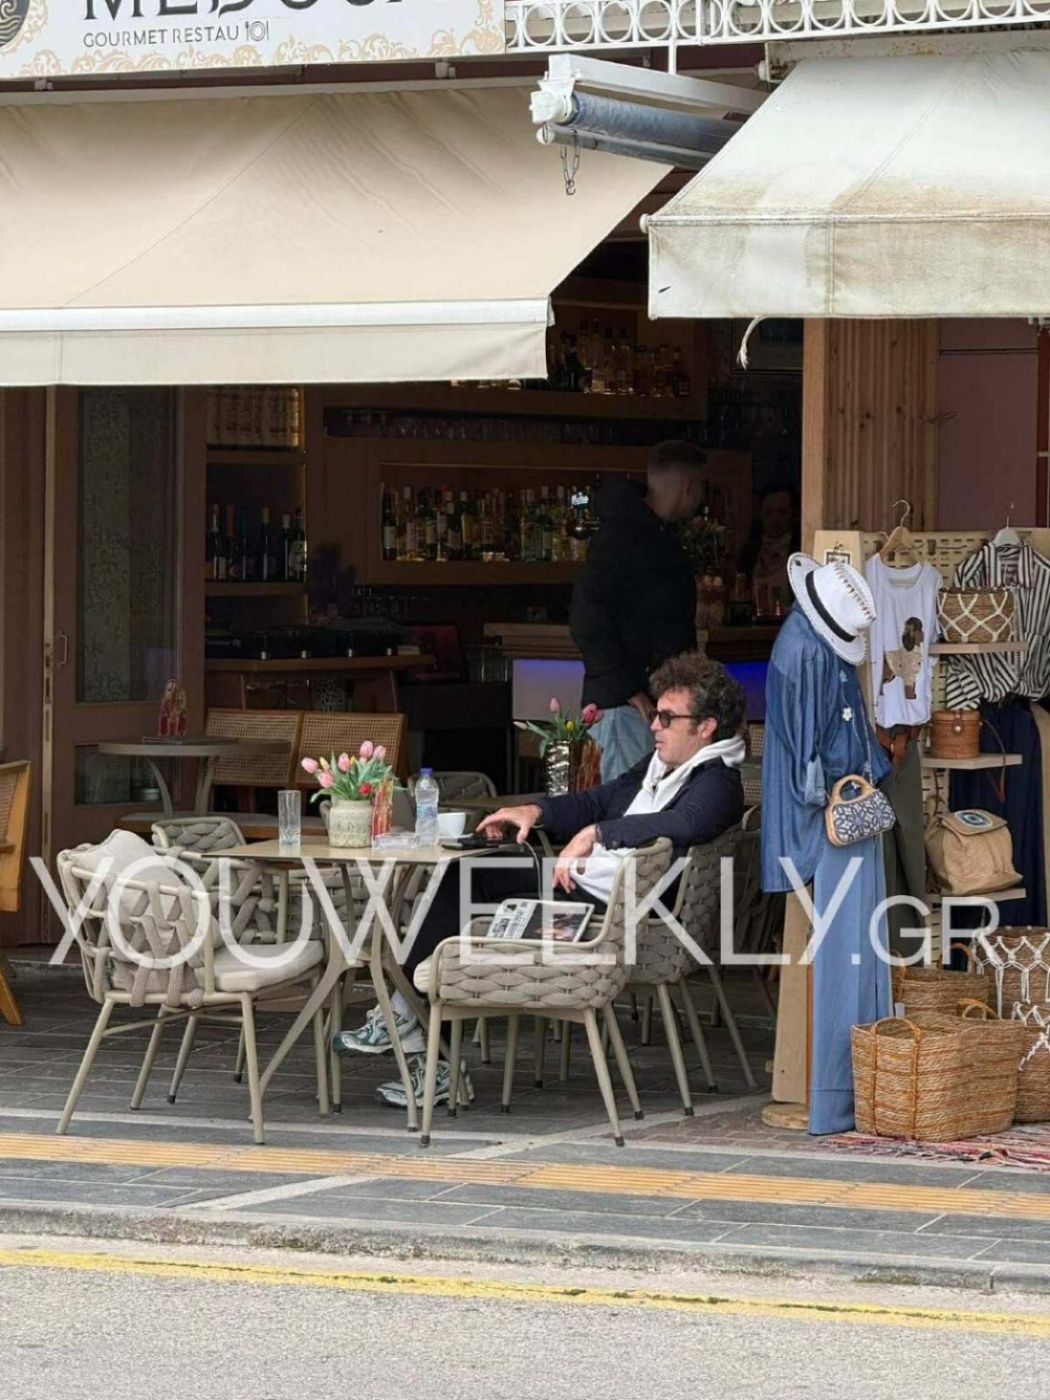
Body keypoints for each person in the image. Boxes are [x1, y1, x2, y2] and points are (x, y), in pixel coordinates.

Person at [333, 651, 748, 1109]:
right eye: (656, 714)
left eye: (667, 718)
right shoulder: (660, 768)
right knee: (467, 873)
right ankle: (409, 1019)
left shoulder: (719, 781)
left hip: (616, 916)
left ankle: (418, 1035)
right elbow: (598, 800)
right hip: (593, 889)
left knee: (468, 899)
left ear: (706, 727)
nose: (654, 725)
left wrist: (597, 834)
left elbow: (685, 822)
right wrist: (534, 811)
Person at [569, 440, 708, 781]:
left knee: (649, 803)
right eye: (701, 487)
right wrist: (630, 691)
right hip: (626, 707)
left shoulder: (650, 534)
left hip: (647, 702)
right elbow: (586, 618)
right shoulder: (623, 536)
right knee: (627, 806)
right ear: (688, 486)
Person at [738, 487, 798, 615]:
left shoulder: (800, 552)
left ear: (792, 515)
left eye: (782, 512)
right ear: (760, 515)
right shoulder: (750, 553)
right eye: (768, 512)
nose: (775, 519)